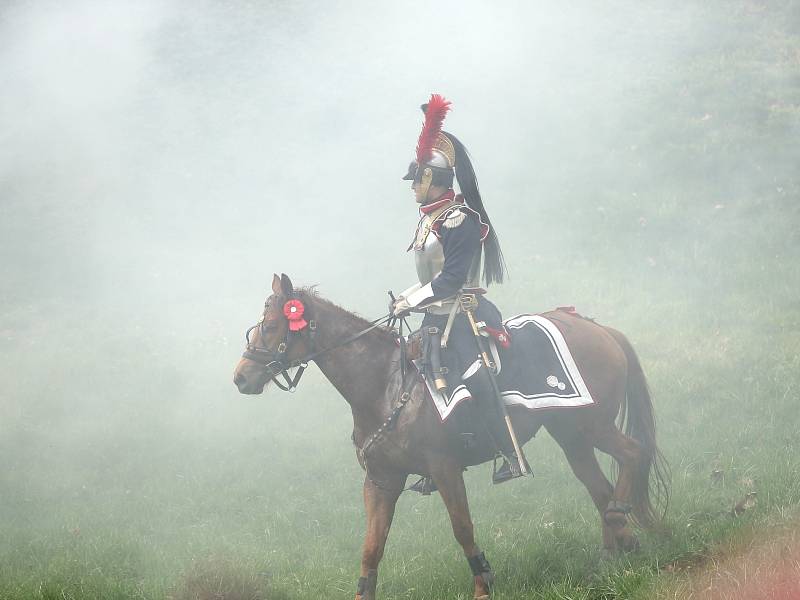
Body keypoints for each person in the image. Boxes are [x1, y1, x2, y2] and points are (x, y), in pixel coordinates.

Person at [391, 94, 523, 484]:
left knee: (476, 379)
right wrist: (407, 298)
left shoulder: (460, 220)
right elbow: (430, 279)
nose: (412, 187)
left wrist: (412, 299)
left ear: (431, 179)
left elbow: (450, 279)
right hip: (435, 316)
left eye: (416, 179)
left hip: (465, 316)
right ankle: (435, 458)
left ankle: (510, 453)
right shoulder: (429, 220)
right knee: (414, 381)